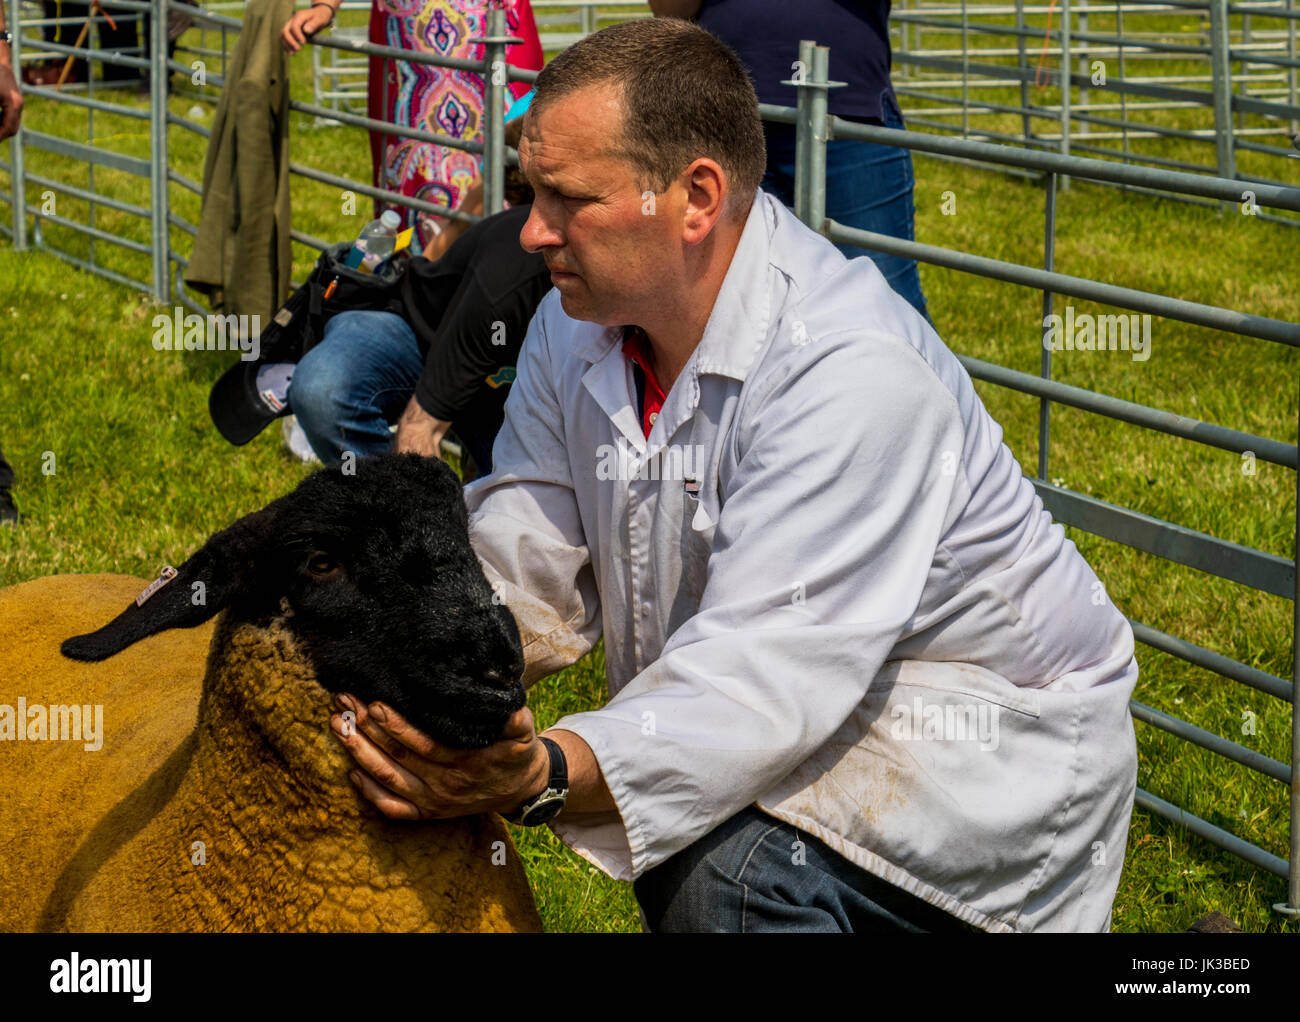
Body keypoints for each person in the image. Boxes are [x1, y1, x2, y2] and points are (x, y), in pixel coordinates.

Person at [329, 18, 1139, 932]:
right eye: (529, 192)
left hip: (972, 747)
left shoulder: (847, 371)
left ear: (696, 197)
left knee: (725, 873)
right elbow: (529, 534)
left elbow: (763, 679)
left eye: (566, 199)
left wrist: (544, 773)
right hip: (809, 693)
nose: (531, 233)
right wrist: (414, 658)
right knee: (700, 827)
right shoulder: (574, 320)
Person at [648, 0, 930, 322]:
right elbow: (669, 8)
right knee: (723, 295)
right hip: (721, 115)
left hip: (848, 112)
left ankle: (900, 371)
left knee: (883, 295)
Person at [281, 0, 542, 259]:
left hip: (499, 26)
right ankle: (418, 281)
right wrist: (325, 6)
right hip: (410, 39)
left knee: (514, 164)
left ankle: (513, 279)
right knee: (414, 180)